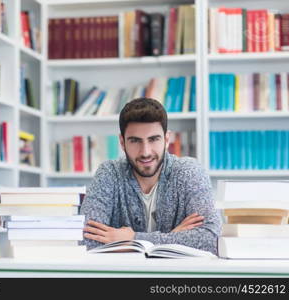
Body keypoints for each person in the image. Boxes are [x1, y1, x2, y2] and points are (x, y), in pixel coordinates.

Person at [80, 98, 221, 254]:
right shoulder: (108, 173)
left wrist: (134, 239)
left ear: (167, 139)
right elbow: (86, 240)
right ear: (122, 142)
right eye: (135, 141)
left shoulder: (189, 172)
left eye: (153, 139)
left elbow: (211, 239)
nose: (145, 152)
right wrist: (173, 237)